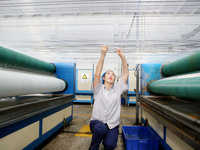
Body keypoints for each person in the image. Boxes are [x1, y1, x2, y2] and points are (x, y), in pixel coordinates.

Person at [89, 45, 129, 150]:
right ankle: (93, 147)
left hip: (112, 124)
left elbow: (125, 74)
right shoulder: (98, 89)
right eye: (108, 73)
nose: (110, 75)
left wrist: (122, 57)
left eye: (113, 74)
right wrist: (103, 55)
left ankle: (107, 142)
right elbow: (97, 74)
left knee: (110, 145)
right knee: (101, 129)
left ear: (115, 79)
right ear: (104, 77)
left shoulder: (118, 88)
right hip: (97, 123)